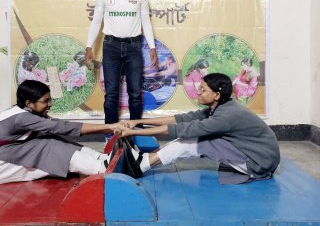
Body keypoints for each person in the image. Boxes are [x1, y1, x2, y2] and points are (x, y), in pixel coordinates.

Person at [116, 73, 280, 184]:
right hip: (256, 153)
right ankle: (145, 159)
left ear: (216, 95)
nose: (198, 92)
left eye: (203, 90)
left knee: (196, 140)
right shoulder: (219, 107)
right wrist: (137, 121)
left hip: (259, 162)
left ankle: (141, 165)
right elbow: (181, 118)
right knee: (192, 134)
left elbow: (181, 129)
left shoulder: (226, 115)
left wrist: (133, 131)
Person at [0, 80, 119, 186]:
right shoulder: (22, 118)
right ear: (29, 103)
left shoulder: (21, 111)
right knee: (46, 146)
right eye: (46, 101)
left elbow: (56, 125)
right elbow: (63, 127)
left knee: (48, 138)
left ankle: (101, 159)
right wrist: (111, 127)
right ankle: (99, 168)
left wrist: (110, 127)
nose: (50, 104)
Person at [85, 0, 158, 142]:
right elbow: (96, 22)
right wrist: (88, 47)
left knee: (135, 93)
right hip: (111, 47)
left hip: (134, 47)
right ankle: (111, 134)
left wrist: (152, 47)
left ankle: (136, 131)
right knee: (111, 94)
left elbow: (145, 22)